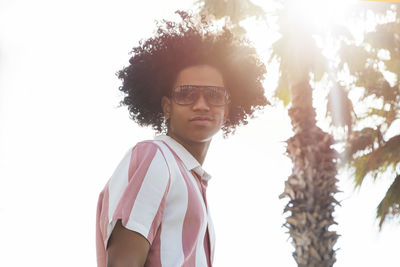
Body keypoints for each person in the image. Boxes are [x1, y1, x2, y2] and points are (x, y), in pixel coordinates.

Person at [96, 11, 268, 267]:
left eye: (214, 95)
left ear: (227, 110)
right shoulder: (155, 156)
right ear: (167, 107)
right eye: (186, 94)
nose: (201, 105)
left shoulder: (190, 179)